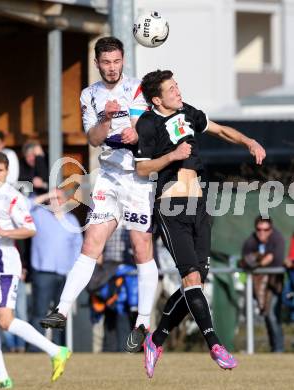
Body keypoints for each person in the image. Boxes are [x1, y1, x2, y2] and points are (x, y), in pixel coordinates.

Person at [133, 69, 266, 377]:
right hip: (170, 208)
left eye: (177, 86)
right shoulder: (148, 124)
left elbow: (220, 130)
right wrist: (172, 156)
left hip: (199, 206)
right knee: (192, 279)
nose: (178, 91)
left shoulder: (188, 112)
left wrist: (248, 141)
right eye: (171, 89)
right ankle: (215, 344)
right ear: (156, 99)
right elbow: (142, 170)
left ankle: (157, 339)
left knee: (195, 284)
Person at [40, 37, 158, 353]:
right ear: (97, 63)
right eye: (106, 62)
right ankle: (62, 310)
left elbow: (151, 127)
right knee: (91, 242)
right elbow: (93, 139)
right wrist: (106, 118)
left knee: (140, 245)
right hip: (107, 177)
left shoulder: (138, 89)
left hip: (137, 178)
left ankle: (142, 323)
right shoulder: (89, 95)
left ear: (123, 60)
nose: (111, 67)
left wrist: (138, 132)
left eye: (116, 61)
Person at [0, 152, 70, 388]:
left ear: (7, 173)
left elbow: (30, 229)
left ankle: (56, 350)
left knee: (5, 321)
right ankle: (1, 376)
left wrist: (4, 232)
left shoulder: (11, 197)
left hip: (4, 266)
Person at [29, 189, 82, 348]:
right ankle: (35, 349)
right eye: (52, 199)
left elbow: (77, 247)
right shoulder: (39, 215)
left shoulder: (72, 221)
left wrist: (74, 272)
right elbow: (24, 206)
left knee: (61, 314)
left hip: (65, 275)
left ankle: (60, 349)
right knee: (39, 312)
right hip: (43, 272)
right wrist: (47, 195)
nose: (55, 202)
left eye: (58, 198)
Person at [242, 216, 285, 352]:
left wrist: (257, 262)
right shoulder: (251, 240)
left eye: (266, 229)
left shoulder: (277, 239)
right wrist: (259, 260)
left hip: (273, 284)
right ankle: (274, 348)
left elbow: (274, 260)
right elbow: (244, 260)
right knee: (266, 315)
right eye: (259, 229)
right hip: (256, 285)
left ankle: (278, 349)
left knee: (272, 315)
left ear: (270, 230)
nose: (262, 232)